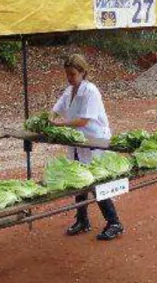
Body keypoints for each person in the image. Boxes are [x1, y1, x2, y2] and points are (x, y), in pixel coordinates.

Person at [49, 54, 124, 241]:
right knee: (78, 179)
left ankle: (114, 222)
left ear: (83, 72)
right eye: (67, 74)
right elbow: (55, 109)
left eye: (73, 74)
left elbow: (83, 121)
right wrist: (49, 119)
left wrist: (59, 125)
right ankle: (82, 220)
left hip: (95, 141)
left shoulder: (91, 91)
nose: (69, 78)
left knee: (96, 181)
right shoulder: (69, 90)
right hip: (79, 141)